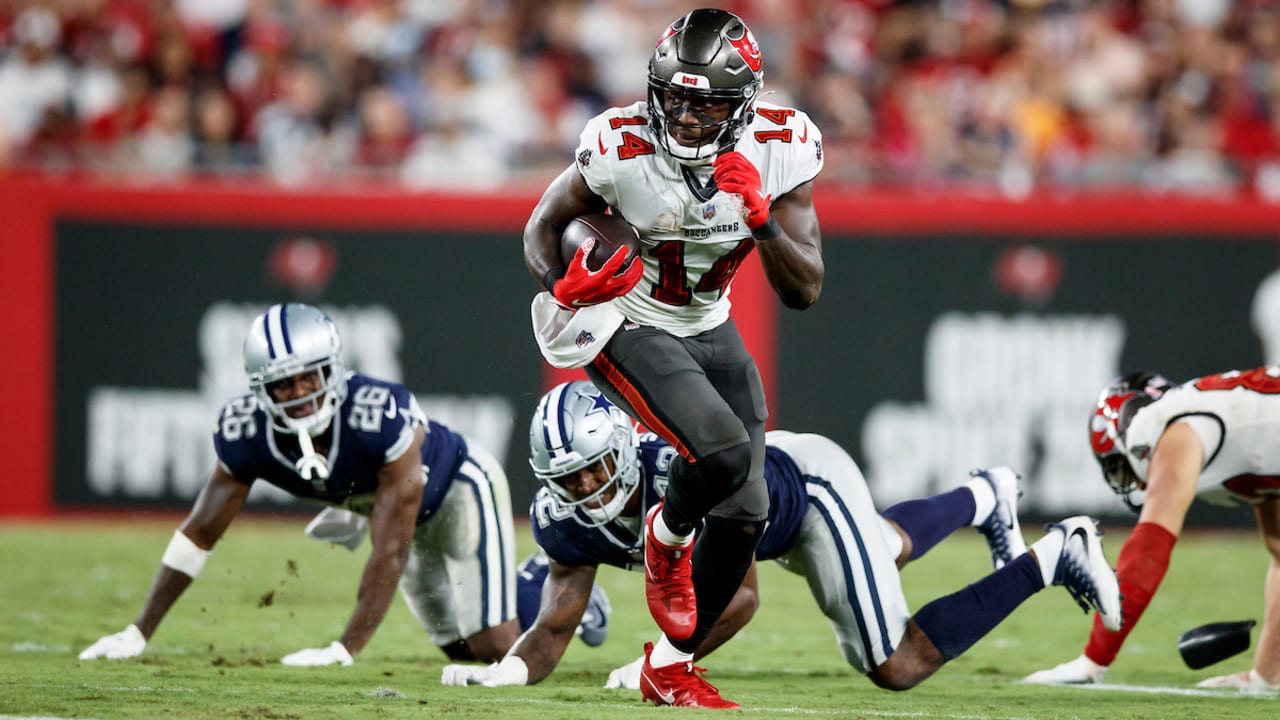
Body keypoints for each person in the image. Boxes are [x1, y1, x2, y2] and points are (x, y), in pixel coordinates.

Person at [440, 381, 1122, 707]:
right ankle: (984, 496)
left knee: (892, 661)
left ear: (621, 446)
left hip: (802, 495)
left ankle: (1055, 554)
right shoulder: (565, 517)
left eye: (593, 465)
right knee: (880, 550)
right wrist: (503, 674)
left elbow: (737, 598)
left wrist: (662, 660)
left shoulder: (676, 478)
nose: (587, 486)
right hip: (764, 505)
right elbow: (557, 620)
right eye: (569, 476)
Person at [522, 9, 825, 707]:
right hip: (624, 317)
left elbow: (803, 290)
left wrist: (764, 222)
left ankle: (670, 667)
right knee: (717, 455)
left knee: (746, 512)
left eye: (708, 101)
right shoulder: (616, 143)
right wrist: (558, 283)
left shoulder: (783, 146)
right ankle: (665, 536)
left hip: (707, 320)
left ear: (743, 102)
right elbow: (541, 230)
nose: (686, 117)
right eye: (676, 97)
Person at [79, 303, 521, 666]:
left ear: (335, 368)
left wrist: (345, 649)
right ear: (260, 389)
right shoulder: (245, 434)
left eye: (311, 375)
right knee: (462, 651)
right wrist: (138, 631)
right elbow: (199, 534)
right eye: (284, 383)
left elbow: (389, 548)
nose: (302, 391)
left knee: (497, 646)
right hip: (398, 519)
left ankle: (552, 594)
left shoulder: (377, 415)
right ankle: (514, 594)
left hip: (458, 491)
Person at [1024, 367, 1280, 691]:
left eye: (1119, 467)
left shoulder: (1167, 425)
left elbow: (1148, 550)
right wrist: (1265, 676)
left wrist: (1093, 661)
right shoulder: (1236, 423)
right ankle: (1269, 677)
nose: (1132, 480)